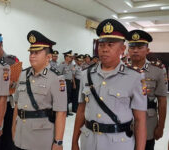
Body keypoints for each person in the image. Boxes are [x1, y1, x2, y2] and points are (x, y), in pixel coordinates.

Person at [72, 19, 147, 150]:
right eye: (101, 45)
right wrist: (74, 142)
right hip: (88, 142)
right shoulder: (86, 74)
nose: (104, 49)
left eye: (110, 45)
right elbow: (81, 111)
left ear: (122, 49)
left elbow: (140, 120)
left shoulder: (135, 77)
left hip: (118, 144)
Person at [12, 30, 67, 150]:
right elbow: (17, 104)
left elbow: (61, 113)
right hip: (21, 135)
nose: (32, 55)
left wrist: (58, 142)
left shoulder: (56, 78)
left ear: (48, 57)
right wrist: (13, 129)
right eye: (31, 52)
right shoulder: (23, 75)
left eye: (36, 52)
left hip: (41, 140)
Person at [127, 30, 168, 150]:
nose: (135, 50)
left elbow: (162, 101)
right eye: (132, 47)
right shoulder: (121, 70)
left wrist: (161, 127)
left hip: (148, 122)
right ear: (127, 50)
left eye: (140, 47)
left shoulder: (157, 70)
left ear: (147, 50)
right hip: (124, 121)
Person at [0, 34, 19, 150]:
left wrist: (11, 83)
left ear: (0, 45)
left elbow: (18, 82)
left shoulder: (11, 60)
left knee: (7, 139)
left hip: (8, 104)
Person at [58, 50, 74, 116]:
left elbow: (73, 71)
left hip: (69, 82)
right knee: (63, 97)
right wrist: (61, 84)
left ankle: (67, 111)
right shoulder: (62, 64)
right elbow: (59, 74)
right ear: (66, 57)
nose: (71, 58)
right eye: (69, 57)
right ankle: (64, 112)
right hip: (63, 82)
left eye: (71, 57)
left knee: (68, 97)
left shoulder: (70, 64)